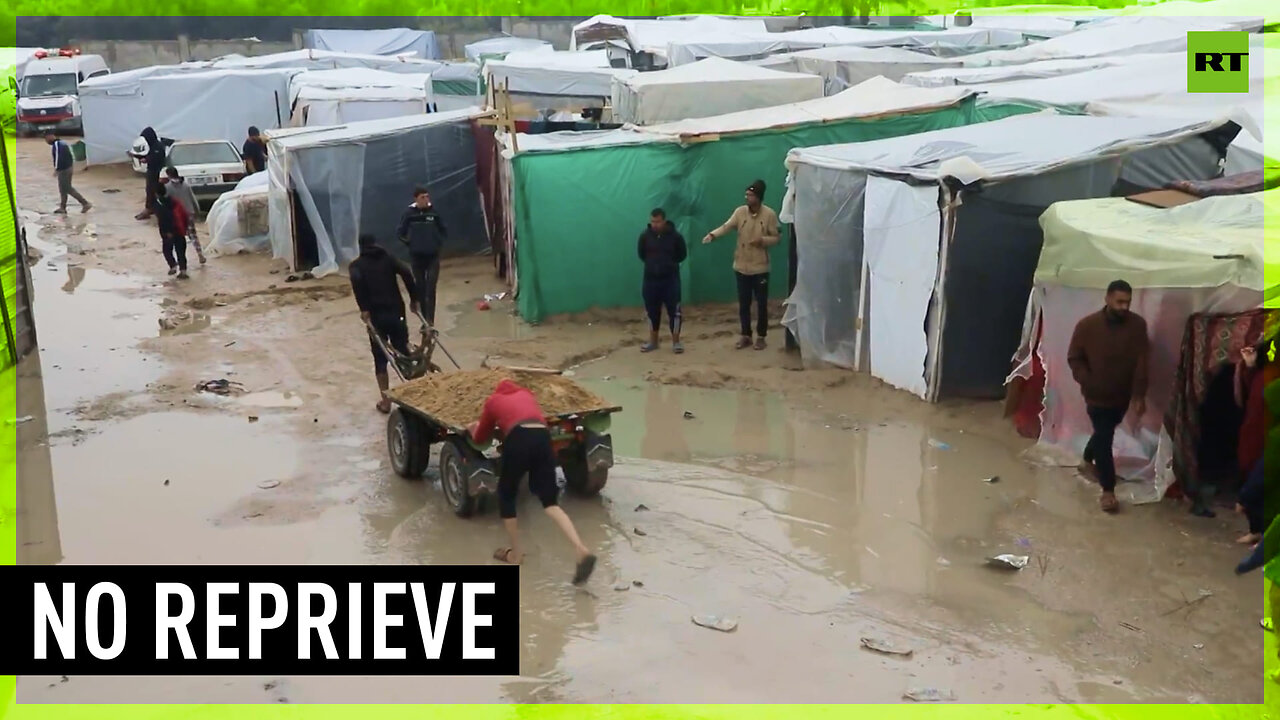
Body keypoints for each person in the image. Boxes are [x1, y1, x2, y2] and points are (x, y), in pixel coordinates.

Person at [467, 379, 597, 585]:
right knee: (551, 503)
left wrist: (473, 427)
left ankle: (515, 555)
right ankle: (581, 549)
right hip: (542, 438)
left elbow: (481, 436)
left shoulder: (493, 401)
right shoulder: (527, 394)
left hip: (518, 438)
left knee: (506, 495)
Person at [1067, 279, 1149, 513]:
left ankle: (1086, 461)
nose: (1124, 306)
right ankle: (1108, 490)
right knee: (1105, 439)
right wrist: (1087, 379)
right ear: (1108, 299)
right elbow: (1074, 357)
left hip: (1121, 394)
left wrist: (1139, 394)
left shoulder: (1137, 326)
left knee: (1105, 431)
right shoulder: (1087, 326)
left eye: (1128, 302)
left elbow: (1142, 361)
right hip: (1096, 395)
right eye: (1119, 301)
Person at [702, 179, 780, 350]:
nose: (747, 197)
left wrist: (763, 241)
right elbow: (727, 226)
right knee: (744, 303)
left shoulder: (769, 215)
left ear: (758, 197)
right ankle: (746, 335)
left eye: (751, 195)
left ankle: (761, 336)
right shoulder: (740, 212)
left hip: (760, 268)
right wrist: (713, 235)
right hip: (741, 266)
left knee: (761, 304)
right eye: (746, 194)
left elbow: (776, 238)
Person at [349, 234, 419, 414]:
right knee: (403, 352)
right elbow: (407, 272)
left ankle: (386, 402)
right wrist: (414, 298)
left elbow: (358, 286)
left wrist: (364, 309)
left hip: (376, 316)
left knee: (380, 359)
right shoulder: (389, 259)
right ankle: (413, 397)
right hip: (396, 312)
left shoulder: (356, 266)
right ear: (376, 243)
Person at [637, 208, 687, 354]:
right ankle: (653, 342)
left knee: (675, 312)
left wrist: (668, 265)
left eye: (658, 221)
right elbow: (641, 254)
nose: (655, 224)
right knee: (652, 311)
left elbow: (681, 255)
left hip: (670, 280)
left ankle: (676, 342)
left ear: (664, 221)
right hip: (650, 280)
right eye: (652, 221)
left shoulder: (676, 237)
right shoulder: (644, 236)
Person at [396, 187, 448, 326]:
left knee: (431, 288)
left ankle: (430, 320)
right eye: (422, 197)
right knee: (421, 289)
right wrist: (411, 244)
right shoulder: (409, 214)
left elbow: (443, 230)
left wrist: (437, 244)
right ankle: (424, 320)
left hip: (433, 257)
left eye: (427, 197)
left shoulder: (434, 213)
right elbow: (400, 232)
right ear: (416, 199)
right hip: (417, 257)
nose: (426, 200)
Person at [162, 166, 206, 265]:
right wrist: (197, 210)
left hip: (177, 216)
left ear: (168, 175)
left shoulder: (167, 187)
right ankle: (200, 255)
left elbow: (165, 203)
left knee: (178, 238)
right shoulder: (185, 185)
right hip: (189, 213)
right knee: (193, 236)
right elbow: (193, 198)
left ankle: (179, 260)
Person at [128, 127, 171, 220]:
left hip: (157, 172)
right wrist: (136, 156)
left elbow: (156, 158)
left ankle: (150, 209)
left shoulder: (158, 146)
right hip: (151, 171)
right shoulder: (151, 146)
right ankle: (151, 208)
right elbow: (148, 155)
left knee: (153, 191)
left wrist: (146, 160)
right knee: (149, 191)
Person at [46, 132, 91, 214]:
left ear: (51, 136)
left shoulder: (57, 145)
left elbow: (58, 158)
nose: (46, 141)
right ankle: (63, 207)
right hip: (68, 168)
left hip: (64, 169)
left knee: (67, 188)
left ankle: (85, 203)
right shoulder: (62, 143)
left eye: (46, 138)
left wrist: (56, 169)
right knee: (63, 189)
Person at [153, 184, 191, 280]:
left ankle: (173, 265)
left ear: (156, 194)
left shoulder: (158, 205)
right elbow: (184, 215)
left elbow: (162, 220)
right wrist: (185, 228)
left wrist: (167, 232)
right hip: (179, 230)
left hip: (168, 233)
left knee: (167, 250)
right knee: (181, 251)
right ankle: (183, 271)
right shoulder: (175, 202)